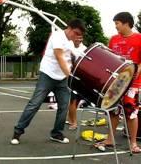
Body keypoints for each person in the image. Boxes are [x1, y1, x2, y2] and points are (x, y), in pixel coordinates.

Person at [10, 19, 86, 145]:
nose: (76, 36)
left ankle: (57, 133)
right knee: (35, 103)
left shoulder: (72, 42)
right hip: (48, 75)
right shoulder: (57, 36)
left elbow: (79, 54)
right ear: (69, 27)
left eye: (79, 35)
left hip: (62, 79)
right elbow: (59, 56)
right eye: (76, 33)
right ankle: (18, 132)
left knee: (64, 106)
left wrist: (77, 46)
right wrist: (70, 75)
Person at [94, 12, 141, 153]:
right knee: (113, 111)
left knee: (130, 112)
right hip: (116, 83)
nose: (116, 27)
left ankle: (133, 143)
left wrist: (138, 69)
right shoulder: (113, 39)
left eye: (117, 23)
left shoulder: (139, 39)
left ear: (126, 23)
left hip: (133, 84)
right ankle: (110, 139)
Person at [67, 38, 87, 130]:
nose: (78, 39)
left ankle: (70, 118)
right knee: (73, 100)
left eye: (80, 38)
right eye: (77, 37)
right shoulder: (68, 46)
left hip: (81, 77)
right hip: (70, 77)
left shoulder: (84, 49)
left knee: (77, 100)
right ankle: (73, 122)